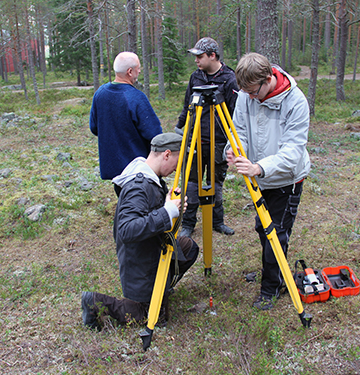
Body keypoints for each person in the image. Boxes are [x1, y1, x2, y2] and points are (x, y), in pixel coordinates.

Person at [81, 133, 199, 329]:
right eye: (178, 162)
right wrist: (166, 212)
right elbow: (127, 230)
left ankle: (159, 292)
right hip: (139, 261)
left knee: (188, 248)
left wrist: (167, 204)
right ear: (167, 154)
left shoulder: (153, 179)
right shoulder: (138, 186)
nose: (177, 169)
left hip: (153, 249)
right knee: (148, 315)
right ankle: (94, 301)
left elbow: (147, 213)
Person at [226, 52, 311, 311]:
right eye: (246, 92)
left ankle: (271, 288)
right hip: (259, 177)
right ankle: (274, 272)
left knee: (276, 233)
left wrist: (259, 167)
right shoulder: (245, 95)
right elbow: (239, 130)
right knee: (262, 229)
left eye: (253, 91)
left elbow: (292, 152)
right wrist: (233, 149)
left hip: (287, 179)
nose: (250, 97)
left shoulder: (296, 102)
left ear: (268, 79)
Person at [176, 37, 239, 238]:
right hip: (195, 139)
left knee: (216, 184)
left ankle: (217, 221)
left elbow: (235, 112)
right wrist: (180, 127)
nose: (196, 60)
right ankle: (188, 223)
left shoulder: (229, 79)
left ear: (213, 56)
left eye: (200, 56)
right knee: (191, 183)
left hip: (218, 142)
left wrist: (234, 141)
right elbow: (188, 105)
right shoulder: (196, 77)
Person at [90, 51, 162, 190]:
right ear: (130, 71)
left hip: (114, 169)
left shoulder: (100, 94)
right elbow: (155, 135)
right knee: (139, 207)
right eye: (138, 68)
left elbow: (94, 127)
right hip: (137, 170)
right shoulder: (135, 98)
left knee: (125, 203)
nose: (140, 71)